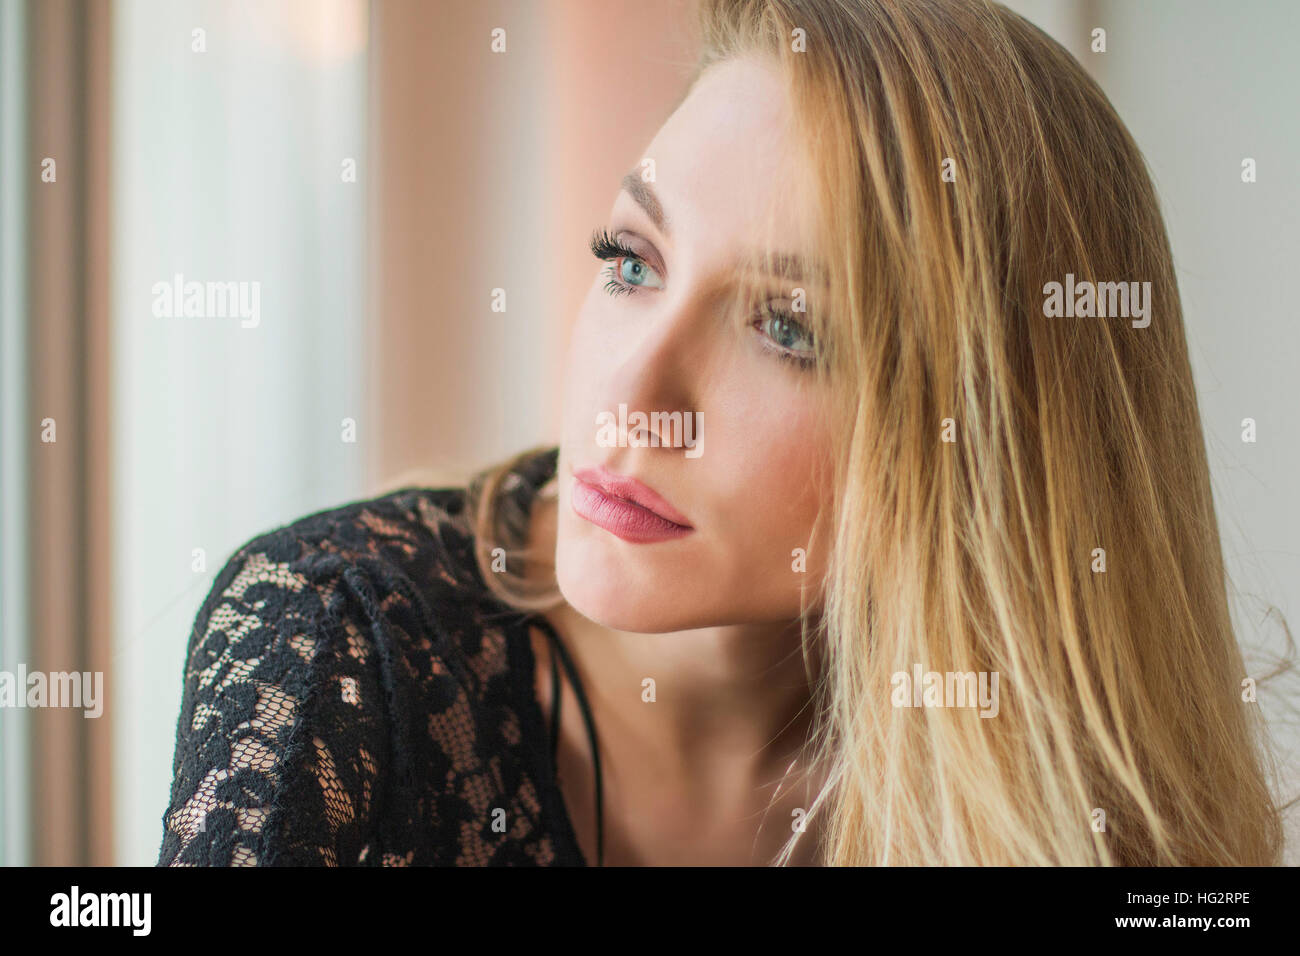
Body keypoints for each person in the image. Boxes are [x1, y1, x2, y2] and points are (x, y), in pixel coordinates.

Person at [157, 0, 1287, 866]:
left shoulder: (1054, 779)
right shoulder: (336, 644)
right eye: (632, 261)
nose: (633, 393)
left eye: (788, 329)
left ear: (985, 450)